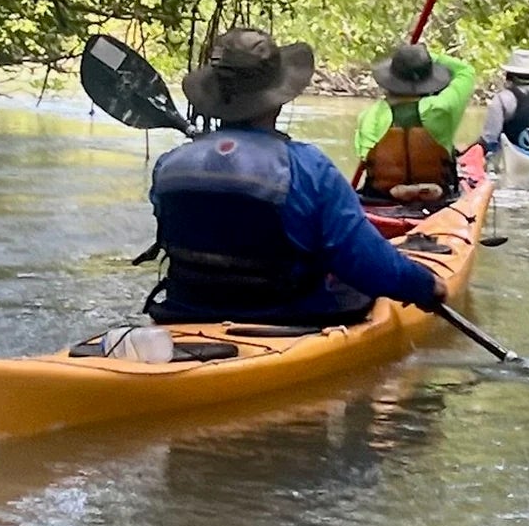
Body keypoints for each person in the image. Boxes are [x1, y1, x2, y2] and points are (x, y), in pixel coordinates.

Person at [143, 28, 448, 324]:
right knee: (351, 286)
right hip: (287, 316)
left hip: (185, 311)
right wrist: (426, 286)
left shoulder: (169, 166)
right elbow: (367, 263)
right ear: (279, 98)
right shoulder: (309, 168)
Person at [355, 40, 477, 202]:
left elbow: (365, 157)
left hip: (381, 197)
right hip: (438, 196)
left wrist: (410, 59)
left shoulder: (369, 116)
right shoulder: (441, 109)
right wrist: (428, 58)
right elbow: (466, 71)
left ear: (391, 79)